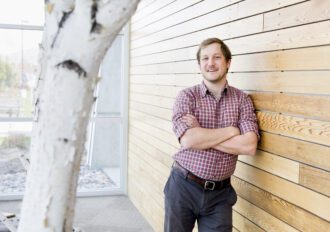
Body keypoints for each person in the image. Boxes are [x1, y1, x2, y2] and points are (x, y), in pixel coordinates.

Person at [163, 38, 259, 232]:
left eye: (217, 57)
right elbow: (188, 140)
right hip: (183, 187)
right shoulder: (187, 97)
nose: (211, 63)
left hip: (220, 196)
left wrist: (203, 135)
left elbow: (249, 146)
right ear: (199, 65)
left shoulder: (242, 100)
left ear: (228, 62)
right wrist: (232, 132)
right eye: (205, 58)